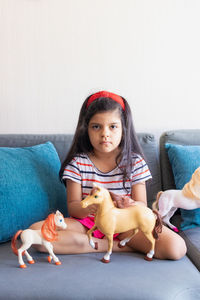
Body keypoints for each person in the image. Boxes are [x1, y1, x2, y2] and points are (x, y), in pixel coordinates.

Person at [31, 91, 186, 259]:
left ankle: (96, 244)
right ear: (86, 129)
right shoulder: (77, 164)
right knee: (35, 232)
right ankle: (111, 246)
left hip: (125, 224)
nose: (105, 133)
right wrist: (87, 207)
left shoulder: (135, 162)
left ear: (123, 129)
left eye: (113, 126)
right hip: (87, 224)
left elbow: (141, 204)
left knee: (176, 248)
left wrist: (130, 204)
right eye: (96, 126)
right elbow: (73, 206)